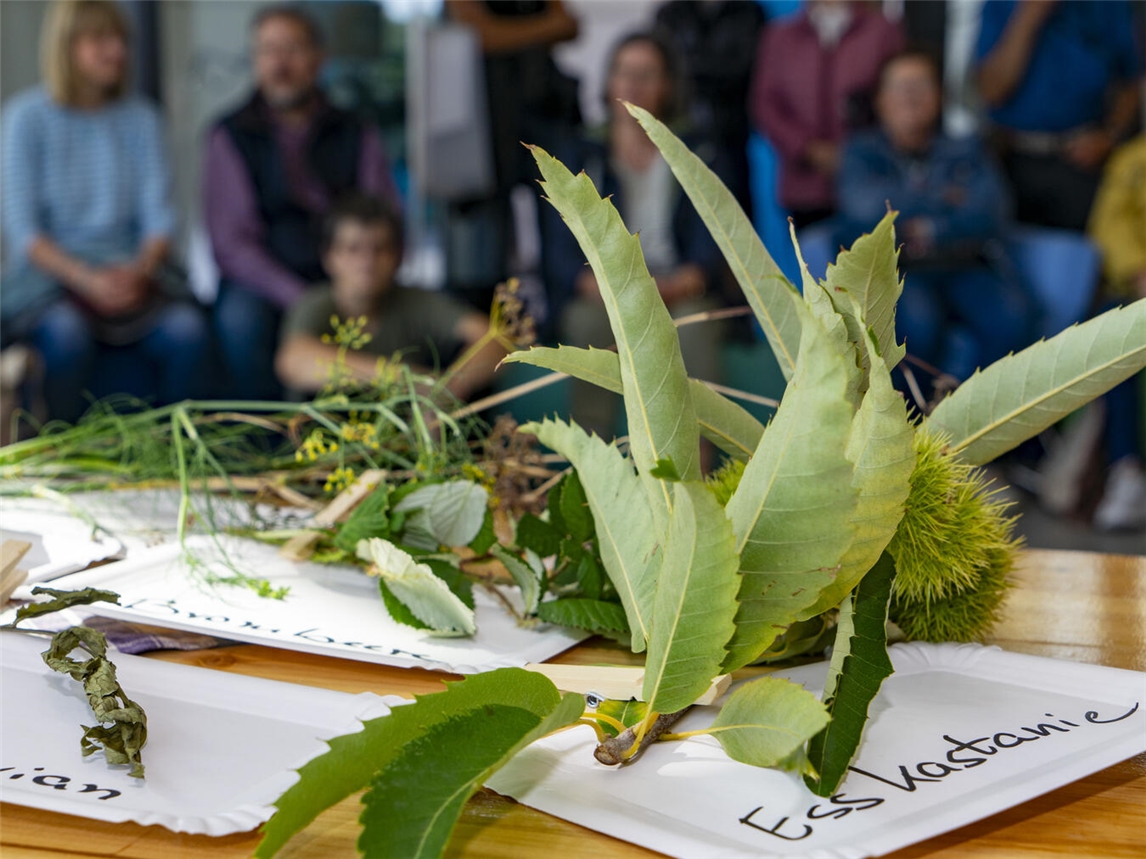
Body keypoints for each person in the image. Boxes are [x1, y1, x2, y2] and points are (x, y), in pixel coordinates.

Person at [0, 0, 208, 424]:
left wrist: (140, 271)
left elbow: (160, 220)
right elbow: (25, 234)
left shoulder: (143, 119)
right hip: (52, 280)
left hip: (135, 274)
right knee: (65, 335)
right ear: (67, 46)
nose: (117, 51)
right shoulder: (25, 119)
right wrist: (86, 279)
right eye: (101, 40)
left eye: (122, 41)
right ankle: (56, 458)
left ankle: (173, 453)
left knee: (189, 332)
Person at [204, 4, 398, 400]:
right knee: (240, 319)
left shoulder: (355, 131)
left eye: (291, 49)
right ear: (255, 60)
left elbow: (385, 217)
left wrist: (357, 276)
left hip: (344, 269)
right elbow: (233, 246)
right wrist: (298, 296)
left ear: (318, 58)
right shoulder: (229, 135)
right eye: (267, 50)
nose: (279, 63)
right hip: (265, 281)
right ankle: (259, 442)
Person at [545, 31, 726, 447]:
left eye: (646, 75)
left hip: (679, 287)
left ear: (668, 86)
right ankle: (595, 468)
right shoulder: (579, 152)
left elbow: (712, 240)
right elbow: (560, 253)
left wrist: (680, 284)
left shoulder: (697, 150)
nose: (632, 85)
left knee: (696, 330)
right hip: (607, 290)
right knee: (588, 324)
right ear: (608, 82)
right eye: (623, 72)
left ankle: (700, 477)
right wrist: (611, 289)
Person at [836, 49, 1032, 385]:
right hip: (898, 269)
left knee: (1013, 321)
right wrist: (943, 196)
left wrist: (928, 226)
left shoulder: (966, 148)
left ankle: (991, 427)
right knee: (914, 331)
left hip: (964, 263)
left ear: (940, 97)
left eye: (921, 85)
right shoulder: (861, 152)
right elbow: (863, 210)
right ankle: (912, 430)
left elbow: (990, 209)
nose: (911, 96)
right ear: (880, 99)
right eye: (900, 86)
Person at [275, 195, 504, 401]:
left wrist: (449, 389)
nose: (367, 262)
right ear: (329, 257)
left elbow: (494, 339)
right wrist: (403, 378)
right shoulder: (314, 304)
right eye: (353, 249)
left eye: (380, 249)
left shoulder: (413, 300)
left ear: (398, 256)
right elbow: (293, 362)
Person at [974, 0, 1143, 232]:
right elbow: (992, 90)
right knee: (1007, 256)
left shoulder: (1108, 5)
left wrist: (1109, 136)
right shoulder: (999, 5)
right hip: (1010, 159)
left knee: (1076, 260)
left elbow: (1131, 82)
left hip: (1081, 162)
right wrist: (1029, 16)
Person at [750, 0, 903, 228]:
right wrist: (807, 149)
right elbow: (765, 105)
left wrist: (855, 154)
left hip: (871, 179)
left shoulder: (882, 31)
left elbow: (896, 99)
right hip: (804, 184)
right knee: (814, 258)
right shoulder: (780, 35)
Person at [654, 0, 767, 221]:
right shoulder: (670, 13)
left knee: (734, 219)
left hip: (732, 137)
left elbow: (747, 72)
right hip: (677, 134)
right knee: (676, 215)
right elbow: (664, 68)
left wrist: (692, 72)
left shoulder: (748, 12)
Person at [1084, 135, 1146, 531]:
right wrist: (1138, 269)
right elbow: (1108, 223)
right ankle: (1127, 471)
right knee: (1115, 342)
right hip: (1137, 289)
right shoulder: (1133, 158)